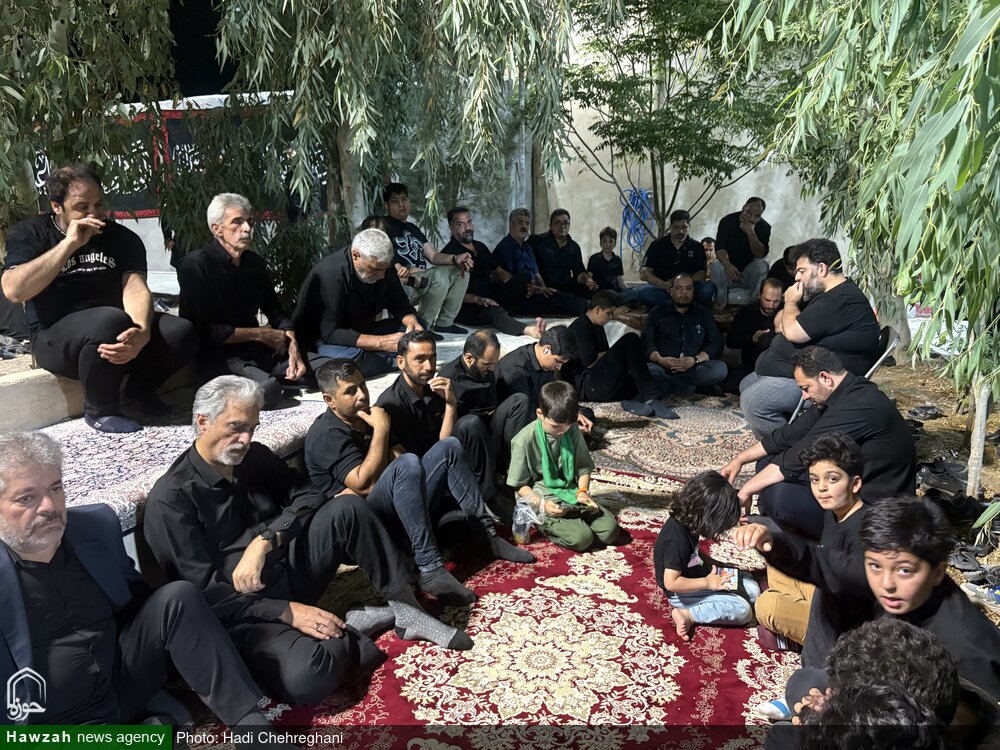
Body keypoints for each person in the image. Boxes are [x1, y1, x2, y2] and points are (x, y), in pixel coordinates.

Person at [143, 377, 475, 707]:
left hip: (287, 570)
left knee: (347, 507)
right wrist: (284, 612)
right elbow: (205, 597)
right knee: (307, 675)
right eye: (236, 427)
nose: (245, 439)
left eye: (252, 428)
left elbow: (309, 497)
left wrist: (265, 541)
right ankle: (352, 626)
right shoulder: (171, 500)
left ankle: (407, 611)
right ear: (203, 421)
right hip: (245, 613)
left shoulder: (253, 456)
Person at [0, 431, 272, 729]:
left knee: (177, 599)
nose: (49, 506)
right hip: (46, 725)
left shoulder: (94, 528)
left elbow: (145, 605)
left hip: (116, 689)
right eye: (26, 498)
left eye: (55, 488)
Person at [305, 358, 534, 604]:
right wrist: (381, 430)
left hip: (392, 507)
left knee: (449, 447)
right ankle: (430, 567)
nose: (362, 395)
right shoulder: (327, 434)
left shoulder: (366, 416)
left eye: (362, 385)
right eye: (350, 391)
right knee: (408, 464)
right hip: (366, 529)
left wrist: (405, 474)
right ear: (329, 400)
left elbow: (400, 458)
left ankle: (486, 535)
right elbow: (365, 485)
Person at [738, 496, 1000, 699]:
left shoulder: (964, 650)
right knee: (806, 682)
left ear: (938, 572)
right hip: (875, 685)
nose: (887, 584)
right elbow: (826, 565)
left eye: (904, 571)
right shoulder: (887, 572)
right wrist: (772, 542)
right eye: (875, 566)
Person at [1, 165, 196, 433]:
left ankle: (140, 389)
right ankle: (100, 410)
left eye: (99, 204)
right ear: (57, 207)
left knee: (181, 331)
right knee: (110, 320)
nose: (94, 214)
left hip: (114, 329)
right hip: (54, 338)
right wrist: (69, 244)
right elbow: (14, 290)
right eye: (82, 207)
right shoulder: (29, 233)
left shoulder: (121, 237)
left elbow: (134, 287)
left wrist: (141, 331)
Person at [722, 346, 915, 538]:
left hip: (874, 508)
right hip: (844, 483)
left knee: (779, 495)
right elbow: (789, 435)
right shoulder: (840, 393)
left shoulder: (860, 405)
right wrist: (740, 459)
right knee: (767, 462)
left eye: (806, 388)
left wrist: (746, 490)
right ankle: (779, 517)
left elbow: (799, 454)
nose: (804, 396)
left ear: (825, 378)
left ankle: (790, 527)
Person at [740, 238, 880, 438]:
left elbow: (792, 331)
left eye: (802, 271)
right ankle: (790, 435)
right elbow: (782, 325)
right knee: (746, 384)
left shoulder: (840, 300)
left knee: (754, 402)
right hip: (804, 370)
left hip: (826, 380)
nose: (797, 277)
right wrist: (789, 318)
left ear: (821, 269)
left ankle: (790, 450)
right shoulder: (828, 295)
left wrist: (790, 302)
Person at [179, 193, 306, 409]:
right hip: (220, 356)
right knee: (268, 391)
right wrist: (260, 334)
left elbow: (277, 313)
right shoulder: (196, 264)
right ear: (217, 229)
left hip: (256, 349)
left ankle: (280, 375)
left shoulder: (254, 263)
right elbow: (202, 329)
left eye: (249, 222)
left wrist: (293, 345)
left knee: (317, 371)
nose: (247, 228)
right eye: (237, 222)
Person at [753, 433, 866, 653]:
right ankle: (791, 616)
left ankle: (793, 629)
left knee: (767, 606)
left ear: (855, 484)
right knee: (776, 554)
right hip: (825, 593)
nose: (822, 488)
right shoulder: (835, 512)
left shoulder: (862, 535)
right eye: (815, 479)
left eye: (832, 479)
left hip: (844, 629)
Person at [375, 330, 506, 507]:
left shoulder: (432, 387)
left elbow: (445, 441)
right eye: (420, 359)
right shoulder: (391, 404)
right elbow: (404, 464)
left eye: (432, 358)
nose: (429, 367)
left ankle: (488, 497)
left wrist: (451, 403)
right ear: (401, 362)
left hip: (443, 460)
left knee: (471, 424)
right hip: (417, 478)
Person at [291, 228, 423, 377]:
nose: (381, 275)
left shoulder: (383, 267)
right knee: (348, 361)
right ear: (356, 256)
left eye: (384, 269)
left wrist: (412, 323)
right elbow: (330, 333)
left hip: (364, 331)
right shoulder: (332, 274)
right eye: (375, 269)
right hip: (325, 341)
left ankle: (385, 356)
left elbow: (399, 303)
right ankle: (395, 360)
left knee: (419, 329)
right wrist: (382, 342)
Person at [507, 381, 620, 552]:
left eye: (566, 426)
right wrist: (543, 505)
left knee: (610, 531)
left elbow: (583, 468)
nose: (561, 431)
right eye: (555, 426)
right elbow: (519, 486)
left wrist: (582, 492)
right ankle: (542, 523)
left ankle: (572, 521)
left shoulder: (571, 429)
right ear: (539, 414)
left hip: (570, 492)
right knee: (582, 539)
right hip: (541, 496)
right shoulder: (523, 440)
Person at [653, 471, 761, 642]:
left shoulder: (691, 521)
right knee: (743, 611)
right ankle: (688, 614)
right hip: (681, 591)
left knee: (753, 590)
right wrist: (708, 583)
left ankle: (715, 593)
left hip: (698, 574)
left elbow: (693, 554)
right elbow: (671, 583)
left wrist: (716, 564)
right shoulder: (676, 538)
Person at [439, 330, 533, 515]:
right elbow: (445, 437)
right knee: (471, 423)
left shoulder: (487, 371)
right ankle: (488, 494)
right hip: (467, 439)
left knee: (519, 400)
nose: (492, 369)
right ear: (469, 358)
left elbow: (492, 407)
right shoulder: (448, 377)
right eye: (488, 364)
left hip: (487, 428)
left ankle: (512, 472)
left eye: (494, 363)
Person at [563, 290, 676, 418]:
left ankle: (634, 403)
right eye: (609, 313)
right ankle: (649, 398)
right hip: (589, 386)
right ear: (597, 310)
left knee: (660, 379)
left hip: (600, 381)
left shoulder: (597, 325)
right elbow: (590, 362)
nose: (611, 317)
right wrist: (618, 354)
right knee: (631, 339)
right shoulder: (581, 327)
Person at [441, 206, 544, 339]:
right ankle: (527, 330)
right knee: (494, 312)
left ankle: (507, 314)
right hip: (468, 307)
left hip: (492, 297)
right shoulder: (449, 254)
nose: (467, 228)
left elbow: (499, 274)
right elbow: (448, 293)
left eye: (469, 222)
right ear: (451, 227)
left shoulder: (480, 247)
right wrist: (478, 299)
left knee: (523, 276)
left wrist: (522, 286)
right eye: (460, 224)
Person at [382, 183, 470, 333]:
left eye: (404, 199)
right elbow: (379, 252)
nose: (401, 204)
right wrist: (398, 267)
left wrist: (456, 259)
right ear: (386, 205)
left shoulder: (413, 229)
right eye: (395, 201)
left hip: (423, 277)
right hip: (403, 280)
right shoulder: (383, 225)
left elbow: (433, 256)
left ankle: (445, 323)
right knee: (439, 275)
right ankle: (422, 327)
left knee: (461, 272)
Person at [496, 326, 592, 436]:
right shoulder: (515, 368)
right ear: (547, 349)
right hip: (518, 422)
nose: (559, 367)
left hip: (540, 411)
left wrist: (573, 415)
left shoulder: (546, 364)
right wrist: (563, 424)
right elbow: (524, 414)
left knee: (585, 414)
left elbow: (552, 398)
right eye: (558, 361)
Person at [492, 208, 588, 317]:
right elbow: (507, 280)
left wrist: (544, 289)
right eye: (520, 222)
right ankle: (588, 307)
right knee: (553, 298)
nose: (524, 226)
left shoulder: (527, 248)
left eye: (527, 223)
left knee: (554, 295)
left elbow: (536, 274)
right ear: (511, 225)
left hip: (535, 293)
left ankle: (590, 306)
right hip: (518, 299)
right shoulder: (505, 247)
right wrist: (532, 289)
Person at [644, 273, 727, 394]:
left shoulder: (703, 313)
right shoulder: (656, 313)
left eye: (688, 288)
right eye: (678, 288)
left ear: (693, 292)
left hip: (694, 368)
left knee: (720, 369)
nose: (684, 292)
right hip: (663, 367)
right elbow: (647, 341)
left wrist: (695, 360)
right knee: (649, 370)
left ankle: (676, 385)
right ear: (671, 291)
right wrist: (661, 360)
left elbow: (714, 342)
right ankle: (689, 386)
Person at [638, 209, 713, 306]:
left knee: (707, 289)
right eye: (676, 227)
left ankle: (673, 305)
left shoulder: (697, 247)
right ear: (670, 227)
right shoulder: (657, 245)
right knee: (645, 293)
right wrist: (664, 285)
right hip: (663, 289)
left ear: (689, 227)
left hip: (687, 289)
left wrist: (679, 284)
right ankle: (682, 305)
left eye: (684, 227)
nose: (680, 231)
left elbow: (701, 275)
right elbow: (644, 273)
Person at [722, 277, 782, 392]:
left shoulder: (785, 313)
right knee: (732, 385)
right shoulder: (746, 312)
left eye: (776, 301)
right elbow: (730, 341)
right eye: (767, 300)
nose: (771, 306)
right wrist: (752, 338)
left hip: (776, 367)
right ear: (759, 295)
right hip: (751, 365)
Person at [710, 197, 771, 309]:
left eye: (756, 216)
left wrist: (751, 233)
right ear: (744, 208)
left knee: (762, 265)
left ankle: (754, 305)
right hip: (728, 271)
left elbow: (760, 254)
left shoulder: (764, 227)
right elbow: (720, 249)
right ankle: (720, 303)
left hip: (748, 274)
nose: (751, 218)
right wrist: (727, 265)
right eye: (749, 213)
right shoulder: (727, 221)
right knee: (716, 266)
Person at [529, 209, 598, 300]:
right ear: (550, 225)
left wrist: (587, 280)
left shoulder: (574, 247)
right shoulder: (537, 241)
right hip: (545, 288)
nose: (562, 226)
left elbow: (579, 271)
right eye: (557, 223)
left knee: (591, 290)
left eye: (565, 223)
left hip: (566, 289)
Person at [587, 227, 626, 292]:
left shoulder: (617, 260)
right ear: (600, 243)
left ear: (615, 243)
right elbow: (589, 279)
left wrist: (629, 292)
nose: (608, 244)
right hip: (599, 294)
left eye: (611, 241)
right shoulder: (594, 259)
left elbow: (621, 281)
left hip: (614, 294)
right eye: (604, 241)